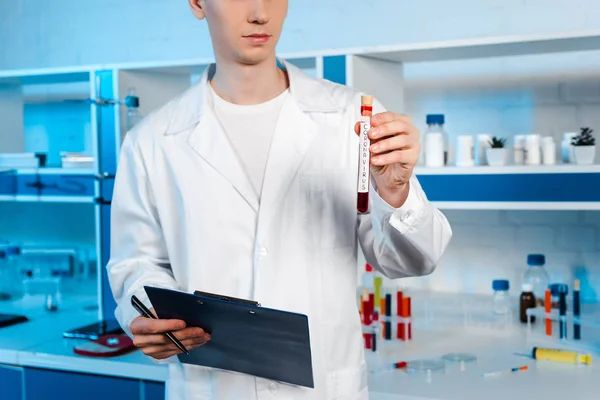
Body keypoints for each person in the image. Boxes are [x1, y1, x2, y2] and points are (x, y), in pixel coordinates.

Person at [106, 0, 452, 399]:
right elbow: (137, 264)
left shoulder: (351, 118)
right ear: (198, 4)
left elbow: (413, 260)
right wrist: (146, 316)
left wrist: (396, 194)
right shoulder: (152, 141)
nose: (259, 13)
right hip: (214, 389)